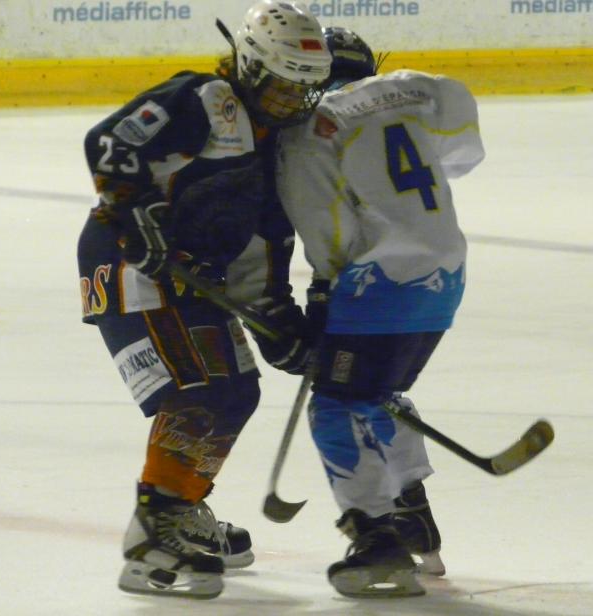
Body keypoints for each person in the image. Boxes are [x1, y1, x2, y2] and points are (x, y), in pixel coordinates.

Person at [77, 1, 330, 599]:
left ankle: (181, 509)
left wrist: (279, 324)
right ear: (248, 64)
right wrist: (134, 213)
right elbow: (110, 142)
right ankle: (151, 541)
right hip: (128, 263)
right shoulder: (205, 101)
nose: (291, 102)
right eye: (281, 86)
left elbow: (261, 248)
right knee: (203, 389)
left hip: (191, 276)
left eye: (303, 90)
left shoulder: (275, 147)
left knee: (236, 390)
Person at [275, 27, 486, 597]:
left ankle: (376, 538)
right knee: (375, 390)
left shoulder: (310, 129)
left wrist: (324, 294)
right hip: (446, 276)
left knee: (336, 405)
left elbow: (329, 234)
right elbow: (465, 151)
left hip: (380, 284)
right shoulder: (418, 89)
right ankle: (412, 513)